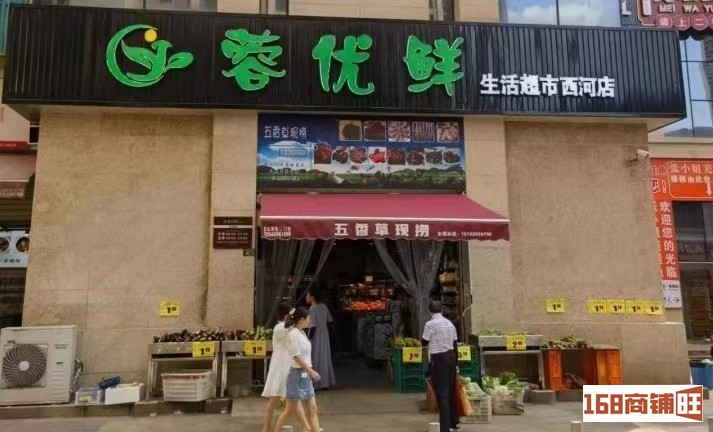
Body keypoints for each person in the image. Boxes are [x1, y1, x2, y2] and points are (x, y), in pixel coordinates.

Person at [261, 302, 311, 432]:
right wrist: (296, 318)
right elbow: (289, 328)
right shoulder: (279, 328)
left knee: (292, 399)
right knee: (275, 399)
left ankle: (305, 426)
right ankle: (266, 428)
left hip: (288, 365)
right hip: (280, 366)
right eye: (291, 314)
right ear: (286, 315)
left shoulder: (292, 329)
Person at [273, 307, 321, 432]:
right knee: (289, 410)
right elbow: (296, 356)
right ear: (301, 319)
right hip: (297, 375)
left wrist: (309, 371)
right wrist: (311, 371)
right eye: (308, 318)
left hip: (306, 375)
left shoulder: (302, 333)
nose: (310, 320)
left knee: (313, 409)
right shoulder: (293, 334)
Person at [422, 301, 459, 432]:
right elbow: (455, 344)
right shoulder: (450, 324)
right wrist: (456, 363)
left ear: (430, 311)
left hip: (439, 359)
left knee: (442, 393)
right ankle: (454, 422)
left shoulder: (429, 324)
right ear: (441, 310)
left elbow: (424, 341)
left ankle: (445, 428)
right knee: (451, 390)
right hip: (451, 357)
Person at [306, 288, 336, 390]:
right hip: (324, 335)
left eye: (308, 296)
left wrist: (309, 339)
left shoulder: (312, 309)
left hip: (316, 336)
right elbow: (330, 321)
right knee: (324, 357)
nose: (306, 297)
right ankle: (325, 382)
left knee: (315, 357)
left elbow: (313, 326)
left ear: (312, 297)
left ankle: (316, 383)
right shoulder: (324, 306)